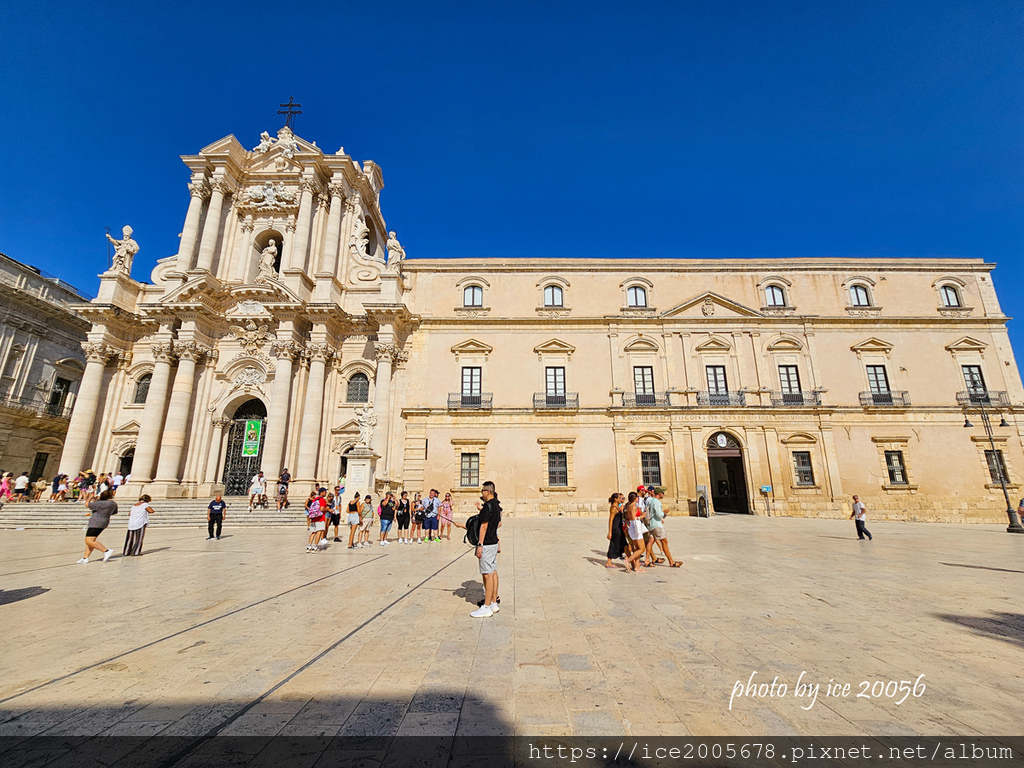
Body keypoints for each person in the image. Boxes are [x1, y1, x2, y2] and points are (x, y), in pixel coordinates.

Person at [470, 481, 502, 618]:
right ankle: (494, 602)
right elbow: (498, 523)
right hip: (494, 542)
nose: (481, 493)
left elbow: (483, 527)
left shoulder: (487, 506)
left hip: (487, 545)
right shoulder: (496, 505)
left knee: (487, 575)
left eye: (482, 490)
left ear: (488, 491)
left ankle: (487, 606)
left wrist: (480, 545)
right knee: (493, 572)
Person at [646, 488, 682, 567]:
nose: (663, 494)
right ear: (659, 494)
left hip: (651, 524)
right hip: (657, 525)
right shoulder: (656, 502)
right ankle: (671, 562)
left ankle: (647, 560)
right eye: (662, 493)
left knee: (650, 541)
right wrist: (664, 513)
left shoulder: (651, 501)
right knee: (664, 542)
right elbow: (659, 514)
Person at [78, 490, 117, 563]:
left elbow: (86, 504)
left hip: (95, 522)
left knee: (88, 540)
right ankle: (85, 558)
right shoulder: (113, 504)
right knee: (91, 541)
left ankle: (106, 550)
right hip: (104, 521)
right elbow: (115, 512)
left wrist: (90, 497)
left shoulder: (100, 503)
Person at [623, 491, 648, 572]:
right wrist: (642, 516)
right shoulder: (633, 506)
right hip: (635, 527)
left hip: (632, 527)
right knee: (642, 549)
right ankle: (628, 560)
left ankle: (637, 567)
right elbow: (633, 518)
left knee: (637, 548)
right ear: (635, 498)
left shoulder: (629, 506)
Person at [605, 492, 627, 568]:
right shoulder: (614, 508)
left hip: (619, 528)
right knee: (614, 544)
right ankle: (609, 562)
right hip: (616, 528)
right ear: (615, 499)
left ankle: (632, 560)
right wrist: (610, 532)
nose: (621, 499)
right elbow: (611, 520)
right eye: (619, 497)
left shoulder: (617, 507)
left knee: (624, 544)